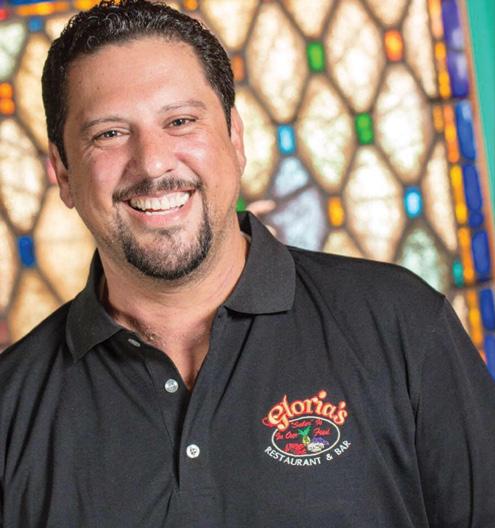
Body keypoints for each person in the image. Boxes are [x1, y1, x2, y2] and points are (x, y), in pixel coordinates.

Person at [1, 0, 495, 526]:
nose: (153, 162)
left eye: (180, 121)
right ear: (63, 173)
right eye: (109, 134)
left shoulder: (403, 326)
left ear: (235, 139)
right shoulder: (11, 409)